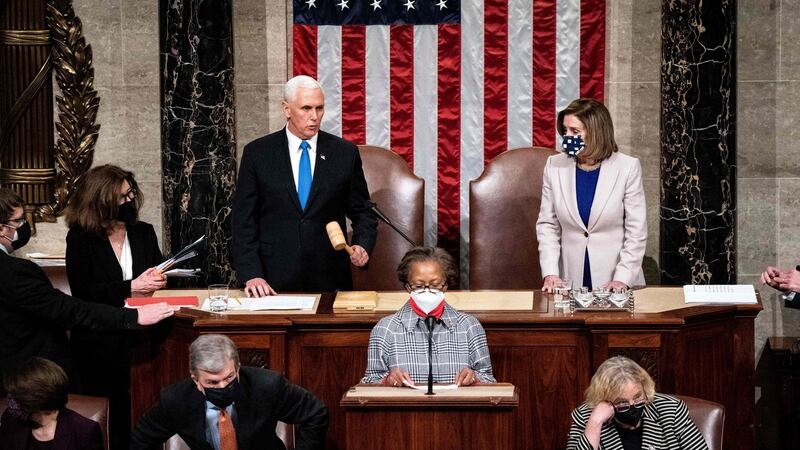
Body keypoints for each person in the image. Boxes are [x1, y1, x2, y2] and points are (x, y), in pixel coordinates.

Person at [0, 188, 175, 389]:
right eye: (19, 221)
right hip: (30, 378)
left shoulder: (142, 232)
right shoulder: (14, 271)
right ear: (1, 229)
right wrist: (133, 316)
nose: (24, 226)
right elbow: (68, 310)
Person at [232, 75, 377, 297]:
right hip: (271, 281)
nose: (314, 117)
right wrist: (251, 273)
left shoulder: (344, 153)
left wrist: (362, 244)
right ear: (286, 109)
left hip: (329, 279)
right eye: (306, 108)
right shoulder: (257, 154)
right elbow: (244, 221)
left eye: (319, 108)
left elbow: (363, 211)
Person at [64, 165, 167, 450]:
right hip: (100, 339)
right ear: (101, 201)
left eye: (130, 194)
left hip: (143, 335)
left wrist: (158, 279)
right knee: (115, 415)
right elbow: (85, 292)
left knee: (147, 409)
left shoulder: (143, 232)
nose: (129, 202)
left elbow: (154, 269)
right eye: (121, 198)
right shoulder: (81, 238)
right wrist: (129, 287)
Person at [130, 334, 328, 450]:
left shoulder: (267, 386)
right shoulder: (175, 399)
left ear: (238, 367)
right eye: (212, 382)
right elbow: (140, 439)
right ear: (195, 379)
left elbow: (316, 413)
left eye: (229, 378)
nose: (223, 386)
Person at [537, 98, 647, 292]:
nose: (566, 136)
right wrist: (550, 273)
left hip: (616, 281)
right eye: (565, 130)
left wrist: (622, 279)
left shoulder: (627, 167)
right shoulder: (554, 165)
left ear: (596, 132)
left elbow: (636, 232)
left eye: (575, 131)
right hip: (570, 280)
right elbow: (548, 225)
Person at [361, 247, 496, 386]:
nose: (427, 290)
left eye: (435, 285)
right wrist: (387, 381)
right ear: (407, 286)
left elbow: (489, 379)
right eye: (418, 286)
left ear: (445, 285)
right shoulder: (385, 329)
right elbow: (369, 382)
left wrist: (475, 378)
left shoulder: (469, 326)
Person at [566, 356, 708, 450]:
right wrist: (595, 423)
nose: (633, 407)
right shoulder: (586, 417)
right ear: (604, 400)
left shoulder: (670, 410)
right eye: (622, 403)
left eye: (638, 397)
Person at [0, 357, 103, 450]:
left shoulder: (84, 431)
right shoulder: (10, 419)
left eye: (16, 396)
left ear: (36, 401)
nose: (11, 401)